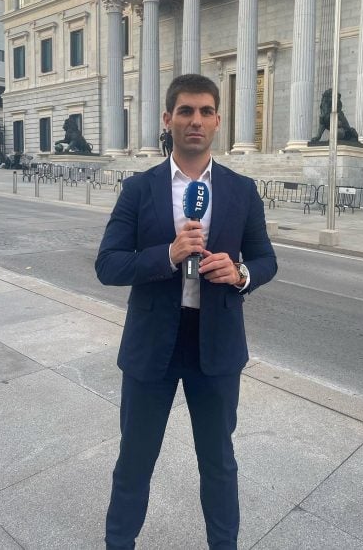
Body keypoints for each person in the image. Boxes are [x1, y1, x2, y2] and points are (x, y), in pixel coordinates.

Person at [95, 73, 277, 550]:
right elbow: (108, 264)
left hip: (215, 348)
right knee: (135, 458)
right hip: (151, 347)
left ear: (217, 121)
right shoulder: (139, 188)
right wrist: (168, 255)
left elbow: (265, 260)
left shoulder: (241, 190)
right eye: (185, 111)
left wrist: (239, 274)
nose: (195, 120)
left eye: (204, 112)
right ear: (168, 119)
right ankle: (119, 543)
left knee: (218, 461)